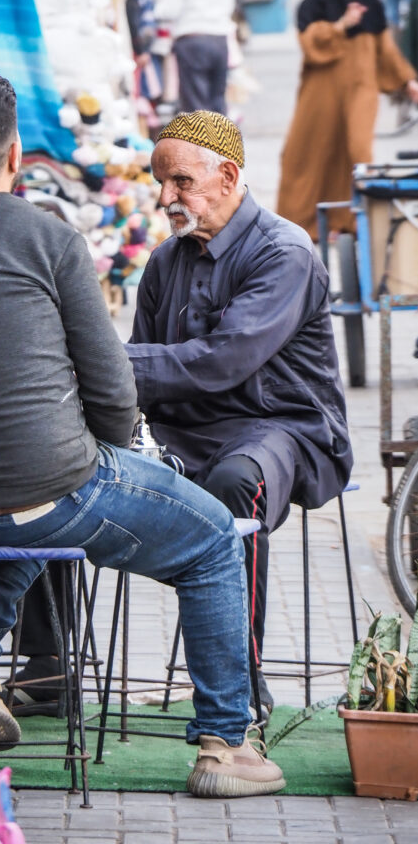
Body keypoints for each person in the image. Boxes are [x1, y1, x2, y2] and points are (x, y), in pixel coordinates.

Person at [0, 71, 285, 799]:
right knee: (212, 539)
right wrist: (106, 449)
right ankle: (225, 746)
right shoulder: (48, 237)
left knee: (35, 512)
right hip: (43, 486)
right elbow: (113, 391)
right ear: (16, 155)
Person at [122, 109, 354, 718]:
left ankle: (237, 679)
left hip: (283, 430)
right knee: (58, 461)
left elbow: (223, 361)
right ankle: (45, 669)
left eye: (180, 183)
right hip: (184, 433)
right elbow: (143, 382)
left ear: (226, 176)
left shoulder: (284, 251)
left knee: (237, 480)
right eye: (160, 183)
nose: (166, 197)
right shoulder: (165, 263)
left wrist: (107, 363)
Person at [277, 0, 418, 239]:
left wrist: (408, 80)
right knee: (305, 154)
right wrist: (341, 25)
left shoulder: (369, 1)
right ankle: (301, 224)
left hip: (361, 90)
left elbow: (386, 49)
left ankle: (354, 221)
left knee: (357, 151)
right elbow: (310, 44)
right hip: (320, 93)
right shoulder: (314, 3)